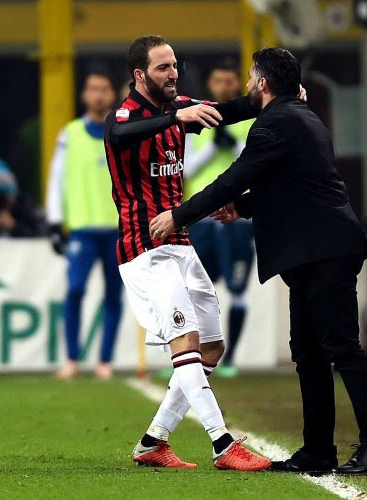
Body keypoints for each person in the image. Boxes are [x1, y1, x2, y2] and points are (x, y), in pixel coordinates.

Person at [149, 48, 367, 476]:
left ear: (263, 83)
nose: (247, 85)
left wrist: (179, 214)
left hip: (325, 251)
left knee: (342, 349)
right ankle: (318, 451)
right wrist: (242, 209)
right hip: (314, 251)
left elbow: (236, 176)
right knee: (308, 352)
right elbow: (289, 184)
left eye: (250, 77)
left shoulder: (276, 123)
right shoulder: (300, 117)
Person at [103, 35, 270, 471]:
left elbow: (231, 110)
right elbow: (119, 133)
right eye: (162, 68)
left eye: (174, 65)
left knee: (212, 346)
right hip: (143, 249)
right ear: (140, 75)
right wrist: (177, 116)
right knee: (188, 341)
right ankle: (223, 443)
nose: (173, 73)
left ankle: (152, 441)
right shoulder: (126, 115)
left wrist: (274, 95)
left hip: (179, 243)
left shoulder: (179, 108)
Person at [45, 70, 124, 381]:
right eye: (93, 89)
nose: (99, 95)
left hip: (117, 229)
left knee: (113, 296)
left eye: (104, 88)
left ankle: (105, 360)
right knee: (75, 290)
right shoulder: (70, 134)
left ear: (112, 94)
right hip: (81, 229)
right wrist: (54, 221)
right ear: (84, 94)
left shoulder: (121, 132)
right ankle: (72, 358)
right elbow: (56, 179)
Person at [183, 59, 255, 377]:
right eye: (218, 80)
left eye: (230, 80)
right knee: (197, 289)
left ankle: (231, 358)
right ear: (210, 84)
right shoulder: (195, 119)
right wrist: (214, 148)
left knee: (238, 286)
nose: (224, 86)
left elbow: (258, 161)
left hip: (238, 215)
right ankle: (193, 357)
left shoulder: (251, 119)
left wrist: (234, 144)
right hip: (202, 217)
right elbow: (185, 170)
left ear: (237, 83)